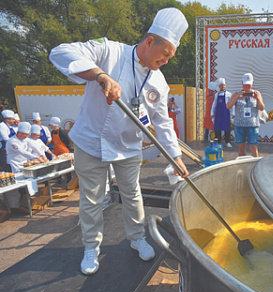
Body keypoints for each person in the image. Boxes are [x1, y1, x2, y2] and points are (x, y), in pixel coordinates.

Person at [49, 7, 189, 275]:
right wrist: (99, 75)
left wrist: (176, 156)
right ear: (150, 42)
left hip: (127, 146)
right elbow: (60, 52)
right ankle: (91, 246)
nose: (167, 61)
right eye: (165, 54)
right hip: (90, 141)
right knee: (91, 198)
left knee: (132, 194)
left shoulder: (159, 81)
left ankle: (137, 237)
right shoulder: (109, 51)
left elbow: (162, 123)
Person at [227, 73, 265, 157]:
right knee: (241, 147)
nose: (247, 87)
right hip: (239, 125)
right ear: (242, 83)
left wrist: (257, 99)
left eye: (249, 84)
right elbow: (228, 106)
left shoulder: (257, 93)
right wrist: (237, 97)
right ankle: (243, 167)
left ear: (252, 83)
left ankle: (256, 167)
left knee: (253, 147)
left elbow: (261, 108)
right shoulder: (236, 94)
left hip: (253, 124)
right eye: (245, 84)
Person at [211, 78, 234, 148]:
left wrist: (233, 113)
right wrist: (212, 113)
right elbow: (214, 105)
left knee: (227, 128)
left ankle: (228, 142)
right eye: (221, 85)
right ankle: (218, 142)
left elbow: (232, 105)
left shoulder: (229, 94)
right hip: (218, 114)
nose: (222, 86)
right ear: (219, 86)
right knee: (218, 129)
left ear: (225, 86)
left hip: (226, 114)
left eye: (223, 85)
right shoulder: (216, 95)